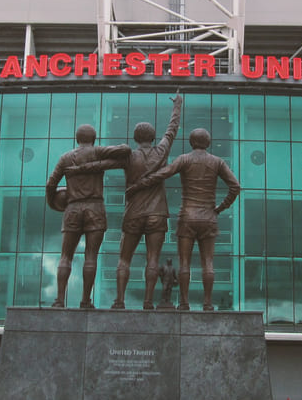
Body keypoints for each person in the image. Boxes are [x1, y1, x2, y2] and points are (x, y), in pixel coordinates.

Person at [68, 95, 183, 309]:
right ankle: (148, 302)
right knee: (153, 258)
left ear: (135, 138)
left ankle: (119, 301)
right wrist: (177, 105)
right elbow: (172, 129)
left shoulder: (129, 156)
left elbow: (101, 164)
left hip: (133, 213)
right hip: (157, 213)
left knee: (124, 258)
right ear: (153, 136)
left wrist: (78, 169)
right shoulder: (161, 151)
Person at [126, 128, 240, 311]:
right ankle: (208, 304)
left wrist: (139, 184)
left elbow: (163, 173)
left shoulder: (184, 159)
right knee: (208, 262)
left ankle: (185, 303)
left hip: (187, 216)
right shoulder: (217, 162)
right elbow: (235, 187)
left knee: (184, 262)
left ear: (191, 142)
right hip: (208, 216)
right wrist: (220, 208)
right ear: (208, 142)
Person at [45, 124, 131, 308]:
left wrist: (53, 203)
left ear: (77, 139)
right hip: (95, 207)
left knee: (65, 256)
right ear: (93, 139)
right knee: (91, 256)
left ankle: (60, 300)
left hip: (72, 208)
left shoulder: (65, 158)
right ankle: (85, 300)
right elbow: (125, 150)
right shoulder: (97, 151)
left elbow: (50, 183)